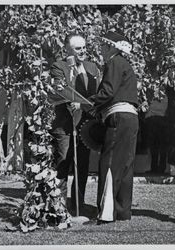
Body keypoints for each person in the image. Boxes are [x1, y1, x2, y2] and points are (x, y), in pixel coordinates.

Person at [88, 31, 139, 223]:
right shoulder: (125, 64)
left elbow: (108, 91)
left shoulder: (114, 62)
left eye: (102, 45)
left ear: (111, 47)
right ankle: (122, 211)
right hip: (131, 118)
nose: (100, 49)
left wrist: (88, 103)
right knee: (125, 164)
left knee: (109, 163)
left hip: (118, 116)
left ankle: (106, 213)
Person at [49, 33, 100, 211]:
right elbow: (60, 89)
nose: (83, 51)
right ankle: (59, 206)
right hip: (65, 124)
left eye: (84, 47)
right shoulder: (59, 66)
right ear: (67, 50)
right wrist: (71, 70)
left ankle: (78, 204)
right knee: (63, 163)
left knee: (83, 166)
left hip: (86, 126)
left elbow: (99, 94)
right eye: (78, 48)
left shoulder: (93, 67)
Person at [144, 88, 168, 174]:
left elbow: (149, 108)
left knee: (156, 146)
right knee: (157, 146)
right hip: (159, 120)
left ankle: (157, 168)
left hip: (154, 120)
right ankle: (159, 168)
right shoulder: (163, 96)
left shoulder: (153, 95)